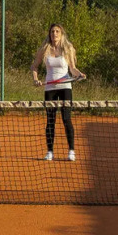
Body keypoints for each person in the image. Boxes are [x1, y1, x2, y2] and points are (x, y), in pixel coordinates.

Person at [30, 23, 83, 161]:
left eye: (57, 31)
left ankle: (71, 151)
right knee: (50, 120)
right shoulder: (45, 49)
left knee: (66, 118)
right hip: (50, 89)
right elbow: (34, 66)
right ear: (49, 34)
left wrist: (79, 74)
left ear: (61, 34)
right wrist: (36, 79)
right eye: (52, 31)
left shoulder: (67, 49)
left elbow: (72, 68)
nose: (54, 34)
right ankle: (50, 152)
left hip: (65, 87)